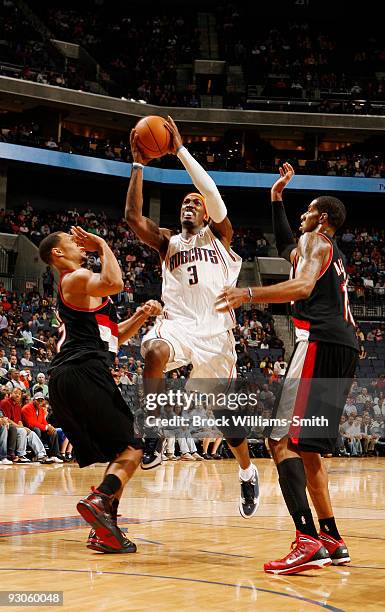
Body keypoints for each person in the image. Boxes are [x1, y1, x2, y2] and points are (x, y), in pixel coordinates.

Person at [217, 163, 358, 574]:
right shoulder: (317, 248)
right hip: (342, 346)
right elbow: (287, 250)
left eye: (308, 211)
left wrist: (248, 293)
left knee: (279, 440)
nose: (303, 217)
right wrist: (276, 196)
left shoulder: (316, 240)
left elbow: (301, 287)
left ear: (323, 219)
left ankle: (307, 539)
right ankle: (331, 537)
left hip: (317, 341)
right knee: (309, 449)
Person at [125, 116, 260, 519]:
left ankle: (247, 471)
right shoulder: (167, 241)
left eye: (194, 203)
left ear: (205, 214)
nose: (189, 204)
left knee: (226, 419)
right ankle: (152, 430)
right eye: (185, 202)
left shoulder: (221, 237)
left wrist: (180, 149)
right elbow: (133, 219)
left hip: (217, 334)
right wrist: (138, 163)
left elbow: (212, 192)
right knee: (154, 349)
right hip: (180, 324)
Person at [38, 226, 161, 553]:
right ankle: (100, 498)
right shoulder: (74, 277)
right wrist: (104, 243)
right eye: (70, 241)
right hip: (82, 372)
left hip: (69, 376)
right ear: (58, 254)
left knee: (120, 451)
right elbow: (115, 282)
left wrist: (140, 316)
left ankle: (104, 531)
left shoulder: (79, 289)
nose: (79, 244)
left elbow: (112, 339)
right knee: (135, 446)